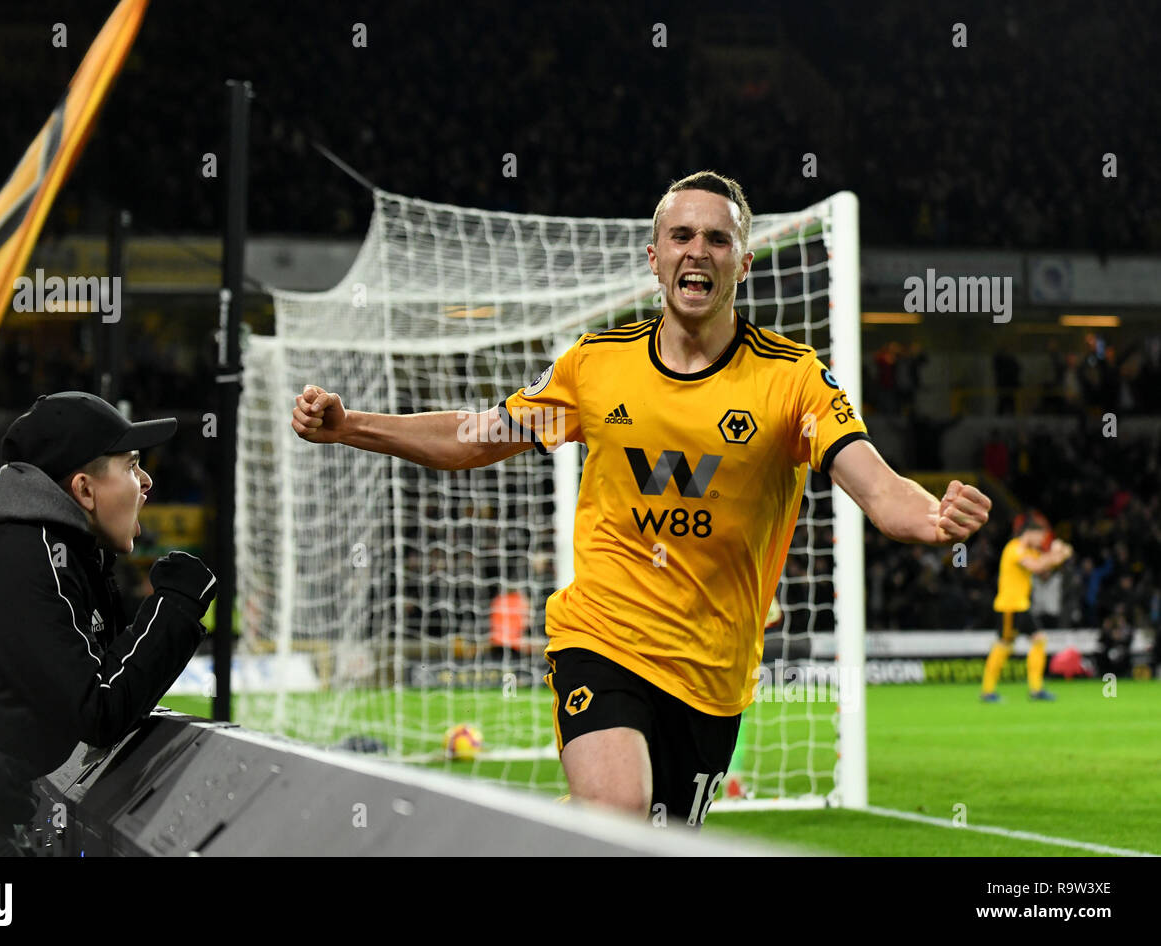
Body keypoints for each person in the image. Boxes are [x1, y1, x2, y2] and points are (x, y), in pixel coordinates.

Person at [291, 171, 992, 827]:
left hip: (713, 675)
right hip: (603, 638)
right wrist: (353, 425)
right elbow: (476, 437)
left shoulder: (794, 379)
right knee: (618, 811)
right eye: (682, 237)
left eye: (718, 238)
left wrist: (931, 516)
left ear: (743, 266)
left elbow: (874, 483)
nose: (698, 251)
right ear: (653, 258)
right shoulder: (595, 366)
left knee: (652, 843)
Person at [0, 392, 217, 856]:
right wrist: (177, 604)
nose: (146, 480)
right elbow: (101, 706)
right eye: (130, 465)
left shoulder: (59, 553)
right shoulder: (28, 555)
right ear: (84, 490)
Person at [980, 511, 1073, 702]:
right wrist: (1058, 553)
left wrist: (1060, 555)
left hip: (1021, 606)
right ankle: (988, 691)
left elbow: (1044, 566)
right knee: (1005, 645)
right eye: (1041, 536)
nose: (1041, 541)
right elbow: (1037, 566)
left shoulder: (1029, 551)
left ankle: (1036, 689)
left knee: (1038, 640)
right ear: (1030, 532)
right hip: (1009, 606)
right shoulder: (1015, 548)